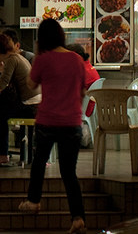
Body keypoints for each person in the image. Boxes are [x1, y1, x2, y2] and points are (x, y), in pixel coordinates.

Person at [19, 18, 92, 234]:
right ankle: (78, 219)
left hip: (48, 121)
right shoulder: (77, 60)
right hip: (72, 122)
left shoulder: (43, 60)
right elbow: (82, 91)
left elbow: (31, 84)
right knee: (69, 173)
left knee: (39, 163)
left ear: (41, 39)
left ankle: (33, 202)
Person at [0, 32, 40, 168]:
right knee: (0, 103)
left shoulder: (12, 60)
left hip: (32, 107)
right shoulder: (16, 58)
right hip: (32, 104)